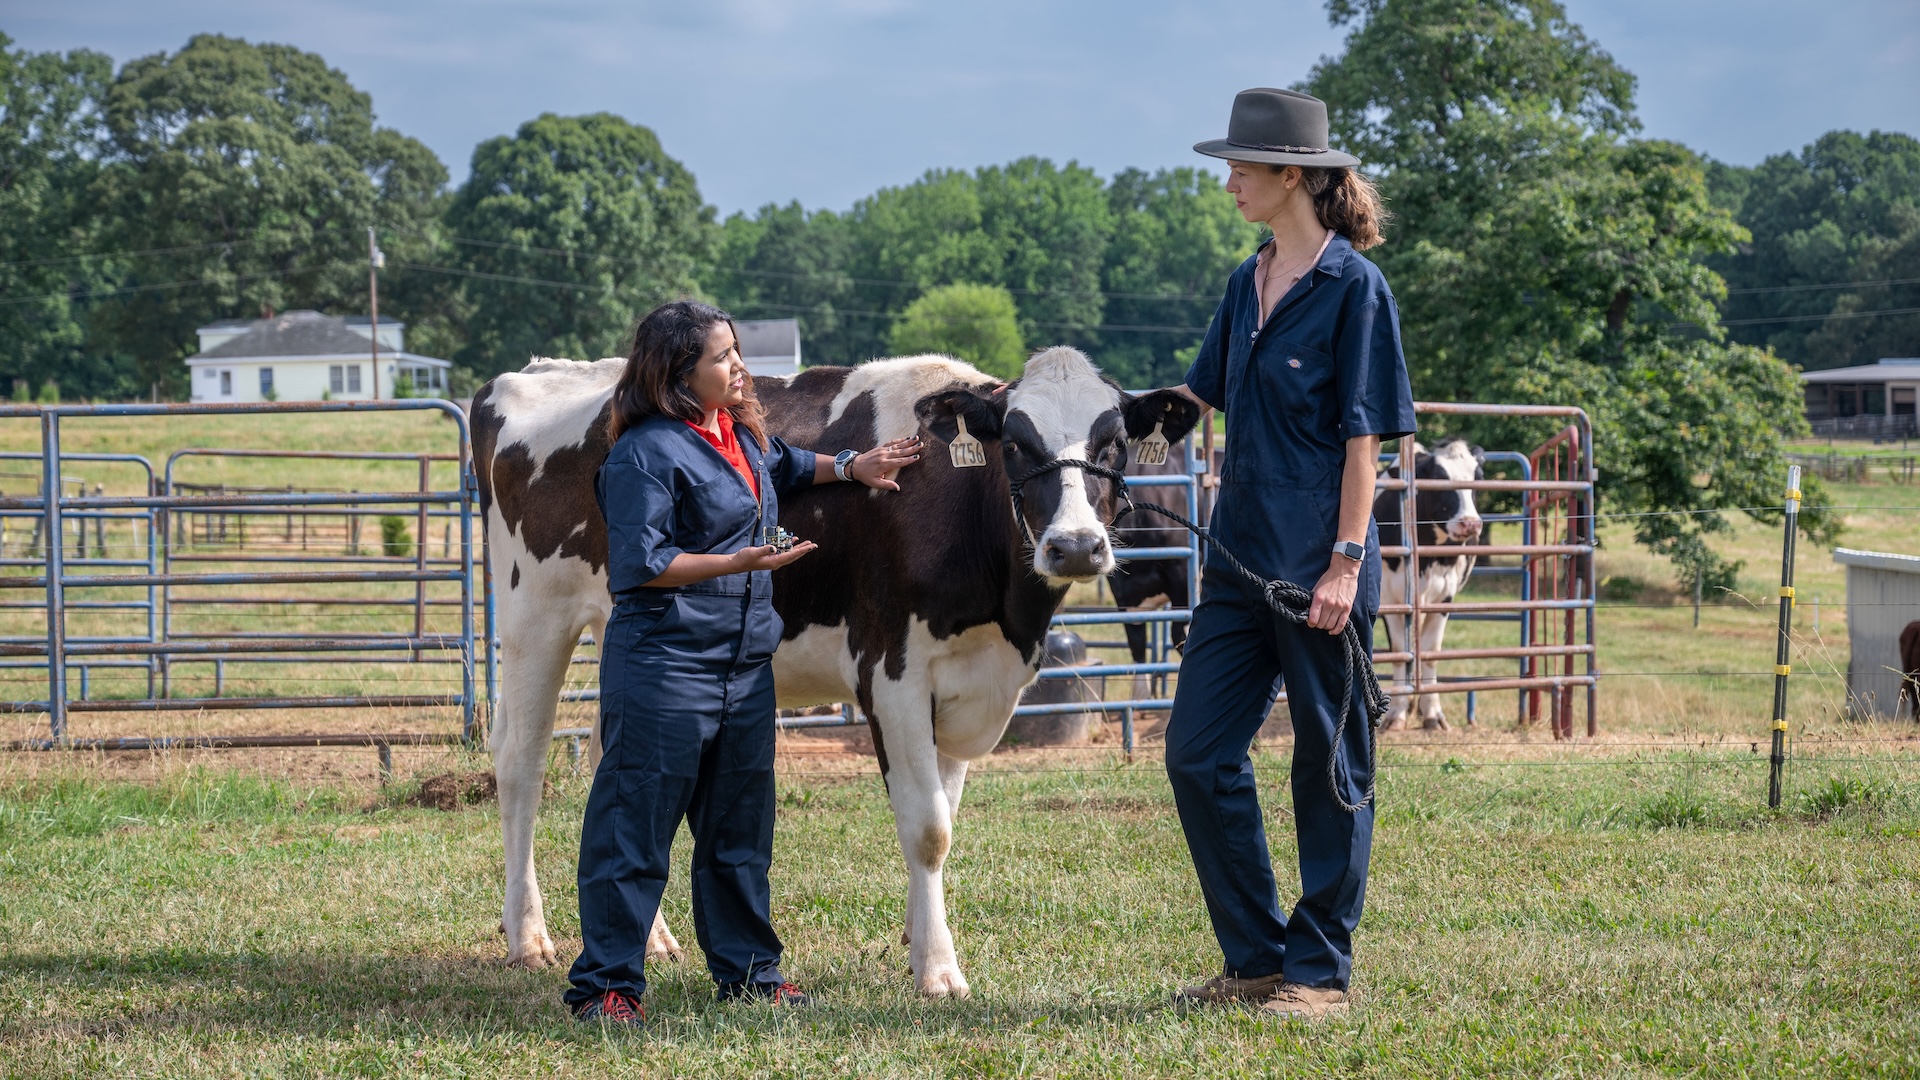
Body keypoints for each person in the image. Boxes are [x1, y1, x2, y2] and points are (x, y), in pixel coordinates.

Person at [565, 300, 922, 1024]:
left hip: (742, 666)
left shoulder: (737, 435)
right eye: (722, 357)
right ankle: (606, 985)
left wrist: (854, 465)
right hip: (664, 666)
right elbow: (642, 563)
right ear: (677, 373)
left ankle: (750, 973)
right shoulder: (643, 453)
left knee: (738, 835)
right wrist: (743, 560)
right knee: (632, 831)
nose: (739, 366)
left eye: (736, 351)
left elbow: (788, 464)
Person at [1165, 87, 1416, 1019]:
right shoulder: (1247, 278)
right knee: (1195, 755)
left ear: (1291, 176)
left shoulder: (1355, 290)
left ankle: (1318, 974)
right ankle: (1257, 955)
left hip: (1320, 569)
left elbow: (1366, 442)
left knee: (1330, 766)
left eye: (1239, 166)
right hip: (1236, 567)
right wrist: (1084, 419)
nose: (1227, 181)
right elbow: (1195, 400)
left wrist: (1347, 564)